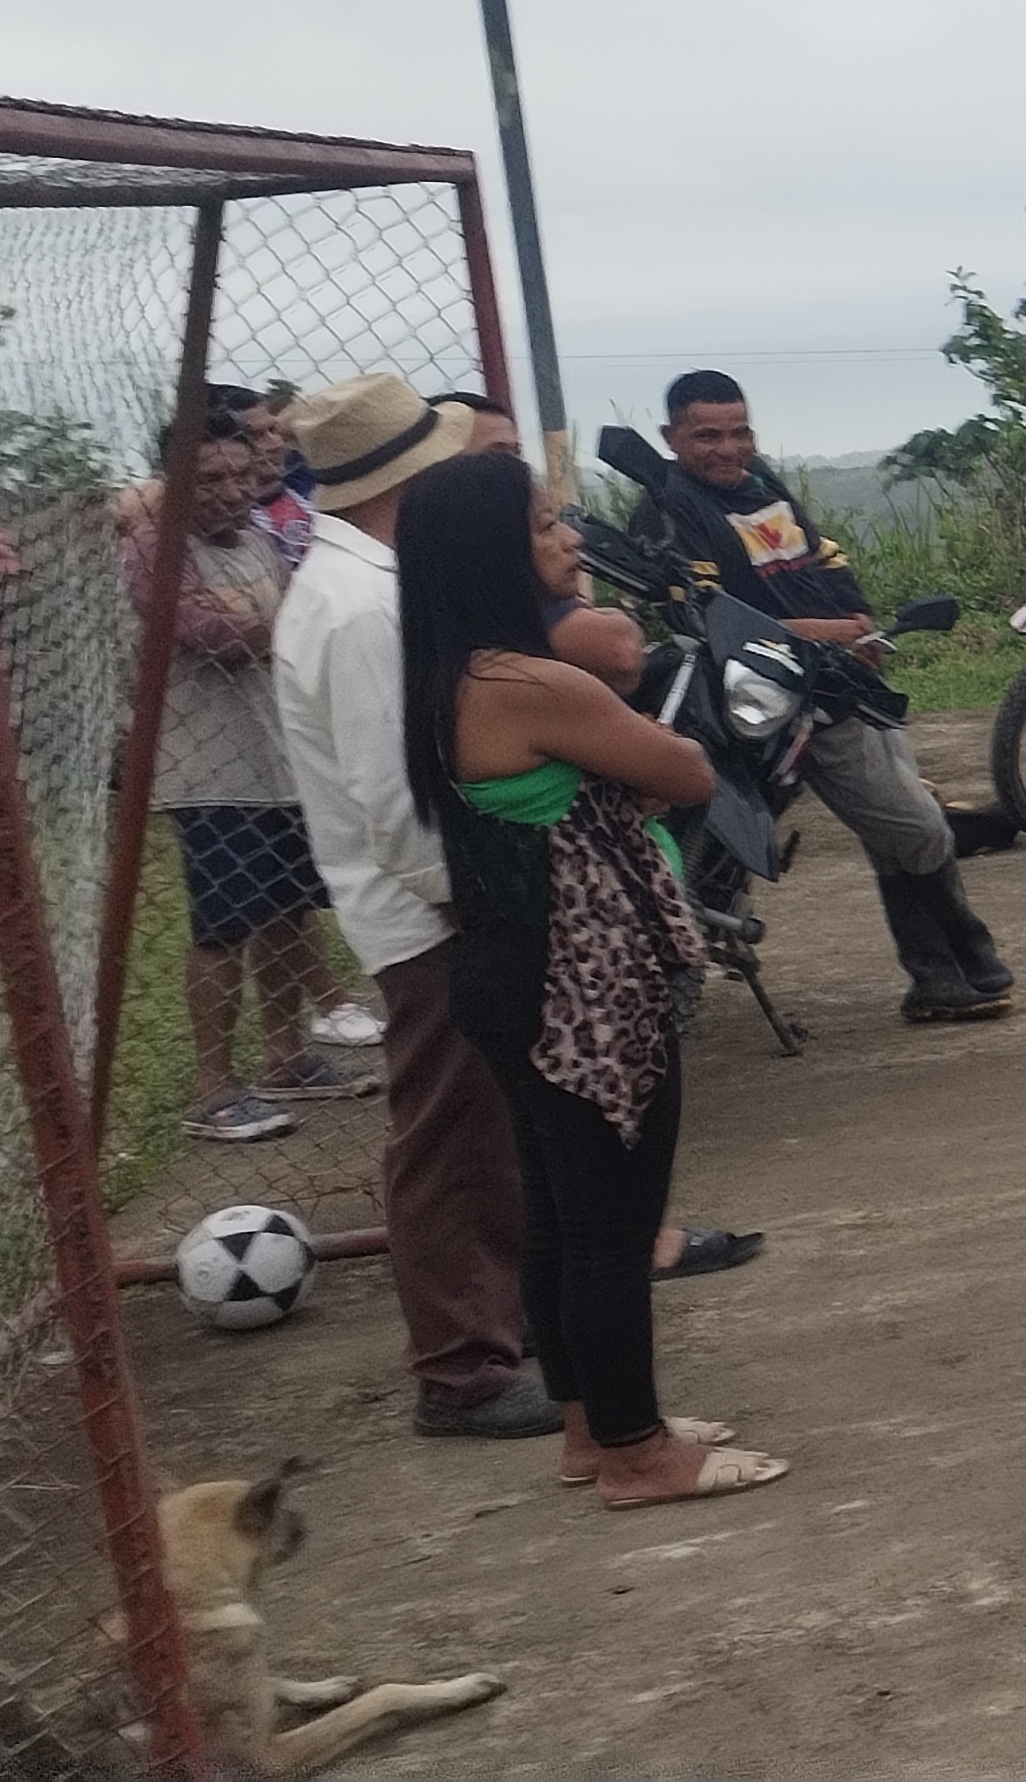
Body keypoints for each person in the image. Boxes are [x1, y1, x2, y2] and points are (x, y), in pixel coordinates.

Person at [398, 449, 788, 1510]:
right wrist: (636, 752)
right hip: (583, 982)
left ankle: (592, 1427)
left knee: (563, 1219)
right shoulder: (529, 683)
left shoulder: (447, 675)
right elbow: (687, 770)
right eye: (544, 524)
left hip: (510, 970)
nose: (570, 537)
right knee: (615, 1226)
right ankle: (635, 1452)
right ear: (493, 553)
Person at [272, 373, 556, 1438]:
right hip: (428, 911)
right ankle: (460, 1366)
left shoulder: (361, 585)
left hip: (429, 901)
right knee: (449, 1132)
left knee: (486, 1121)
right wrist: (477, 902)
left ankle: (501, 1321)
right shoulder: (359, 607)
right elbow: (395, 801)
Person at [638, 371, 1017, 1021]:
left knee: (893, 828)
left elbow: (825, 556)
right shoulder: (671, 509)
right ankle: (964, 952)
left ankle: (940, 976)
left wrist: (857, 620)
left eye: (739, 432)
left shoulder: (761, 482)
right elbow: (705, 615)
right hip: (784, 699)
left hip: (845, 680)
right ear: (670, 437)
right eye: (707, 436)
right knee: (916, 826)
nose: (728, 448)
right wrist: (832, 632)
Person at [133, 406, 371, 1144]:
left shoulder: (258, 543)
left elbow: (286, 627)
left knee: (289, 912)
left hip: (278, 760)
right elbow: (212, 635)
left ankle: (286, 1056)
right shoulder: (156, 550)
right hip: (209, 770)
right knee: (223, 926)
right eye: (208, 479)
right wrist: (301, 623)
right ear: (171, 480)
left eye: (240, 475)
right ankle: (212, 1089)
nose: (231, 491)